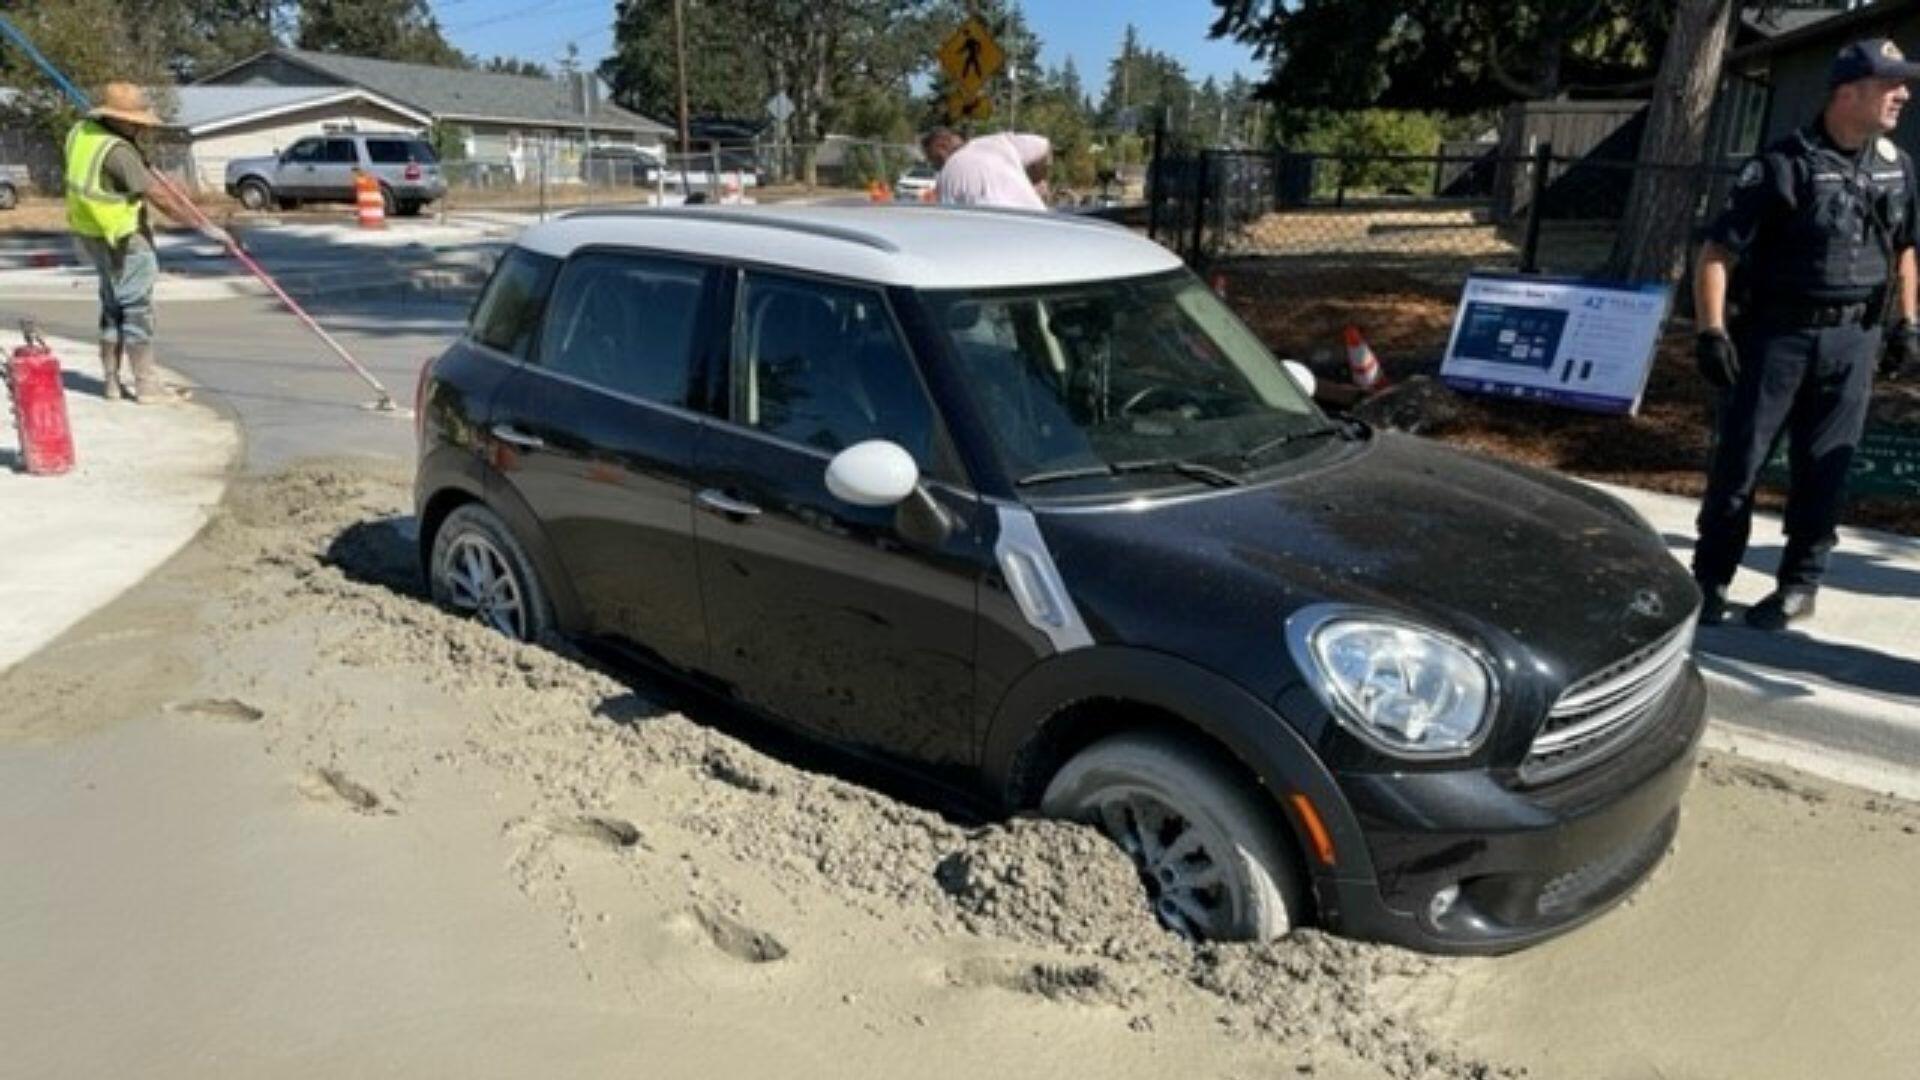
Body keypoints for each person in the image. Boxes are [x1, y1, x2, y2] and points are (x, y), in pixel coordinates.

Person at [1690, 38, 1920, 631]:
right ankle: (1710, 580)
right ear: (1848, 93)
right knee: (1740, 463)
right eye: (1889, 84)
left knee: (1824, 471)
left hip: (1853, 341)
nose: (1903, 94)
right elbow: (1717, 253)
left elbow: (1905, 249)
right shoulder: (1782, 164)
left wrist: (1907, 322)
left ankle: (1799, 585)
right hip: (1777, 338)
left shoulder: (1896, 165)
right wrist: (1712, 331)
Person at [65, 82, 231, 403]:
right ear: (119, 119)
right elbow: (158, 196)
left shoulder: (82, 133)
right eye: (135, 122)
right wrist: (204, 226)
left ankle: (111, 383)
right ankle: (146, 386)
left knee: (112, 307)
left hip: (92, 232)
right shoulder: (118, 152)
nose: (141, 128)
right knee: (136, 309)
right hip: (124, 236)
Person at [929, 129, 1051, 210]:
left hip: (994, 234)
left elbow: (950, 222)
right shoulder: (996, 141)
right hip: (1039, 225)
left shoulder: (947, 174)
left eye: (932, 158)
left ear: (941, 146)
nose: (934, 165)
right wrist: (1035, 181)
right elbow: (1043, 145)